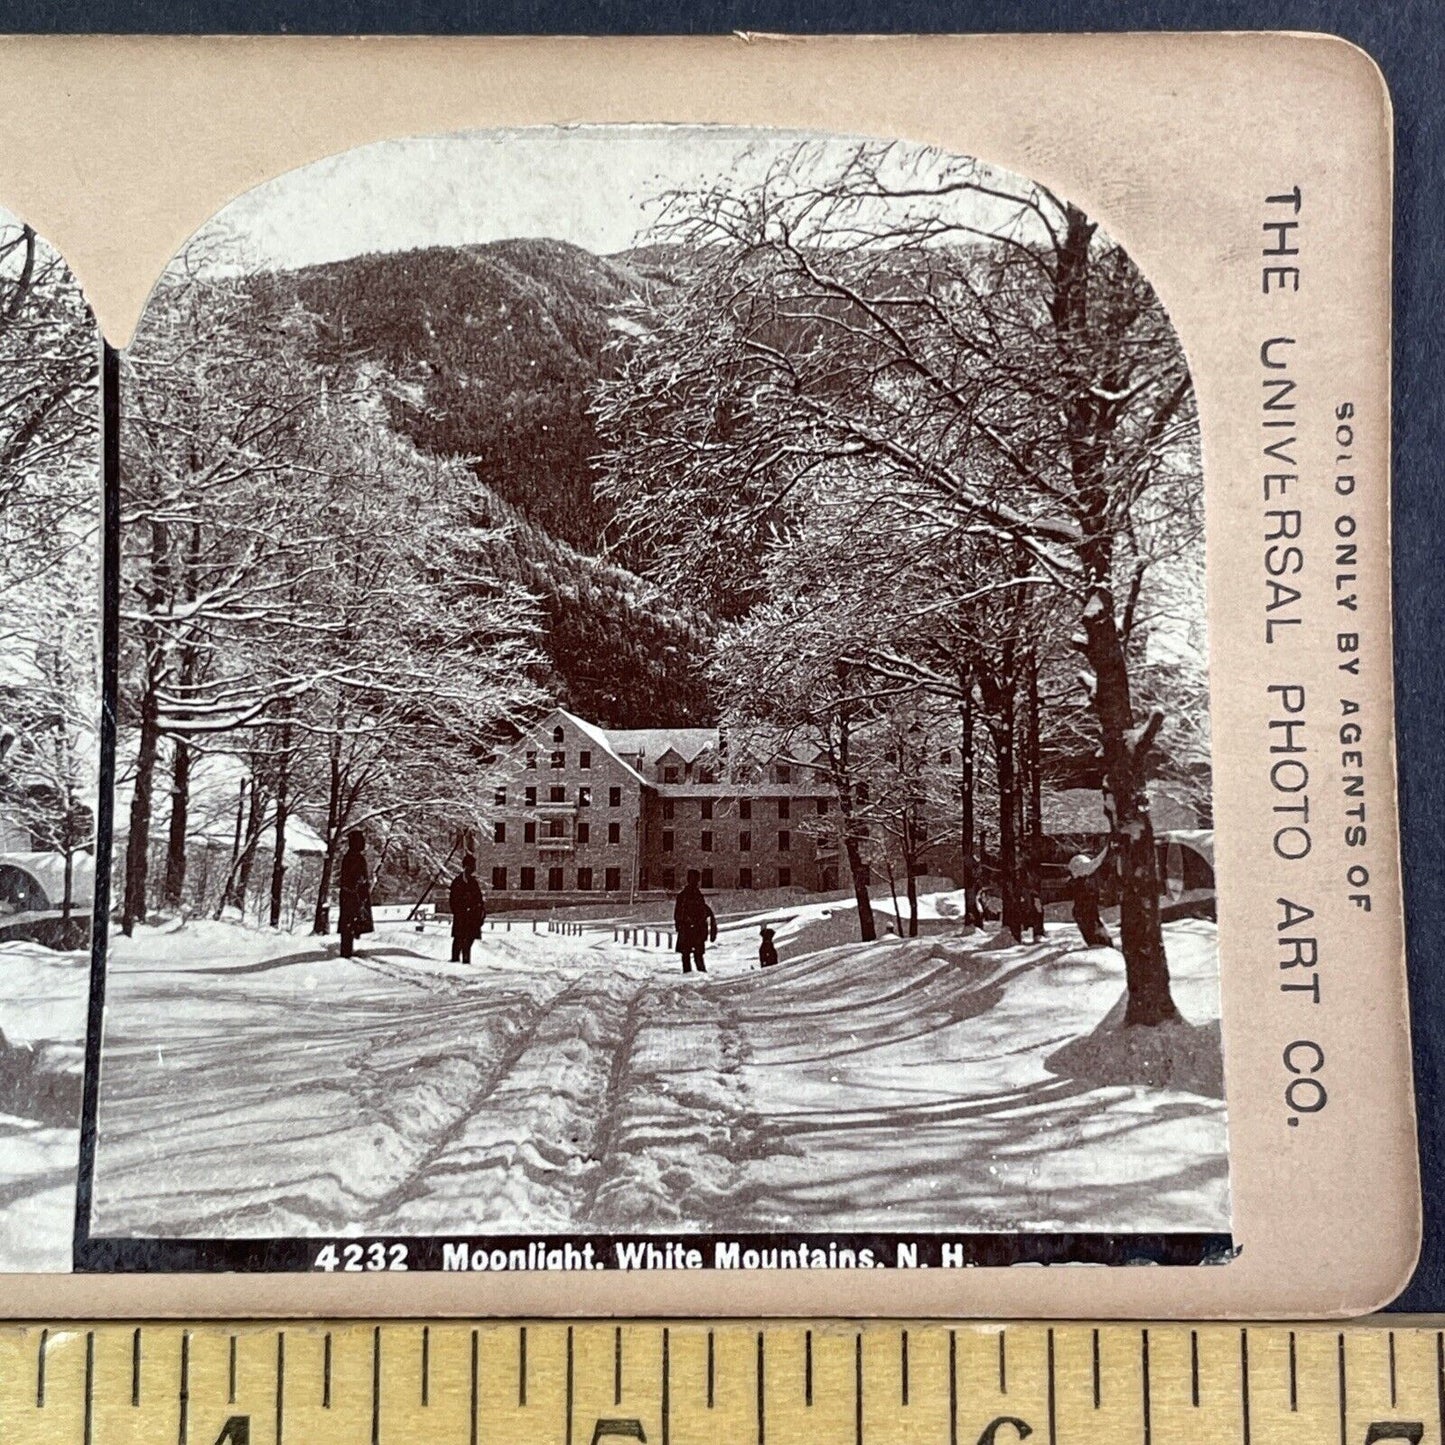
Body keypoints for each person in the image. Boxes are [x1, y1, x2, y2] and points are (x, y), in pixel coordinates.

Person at [673, 868, 717, 974]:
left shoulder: (696, 895)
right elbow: (679, 914)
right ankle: (692, 974)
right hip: (690, 929)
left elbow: (703, 911)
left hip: (694, 930)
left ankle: (698, 973)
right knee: (688, 955)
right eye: (695, 879)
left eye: (697, 879)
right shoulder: (685, 896)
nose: (696, 882)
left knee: (694, 955)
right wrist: (685, 923)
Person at [337, 830, 373, 958]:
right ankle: (346, 951)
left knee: (350, 922)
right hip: (353, 895)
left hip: (353, 894)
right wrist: (359, 886)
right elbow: (353, 877)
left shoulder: (352, 857)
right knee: (350, 922)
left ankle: (347, 949)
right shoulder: (354, 858)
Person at [1068, 850, 1113, 948]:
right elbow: (1094, 864)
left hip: (1084, 912)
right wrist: (1106, 850)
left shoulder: (1078, 881)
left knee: (1096, 938)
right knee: (1098, 940)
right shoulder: (1081, 882)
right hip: (1086, 913)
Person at [448, 853, 487, 964]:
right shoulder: (459, 882)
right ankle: (456, 961)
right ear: (467, 866)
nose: (474, 868)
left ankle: (465, 961)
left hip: (472, 918)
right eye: (472, 865)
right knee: (460, 939)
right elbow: (454, 901)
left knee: (468, 940)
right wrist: (462, 910)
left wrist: (480, 911)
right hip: (463, 917)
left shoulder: (472, 881)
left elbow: (478, 899)